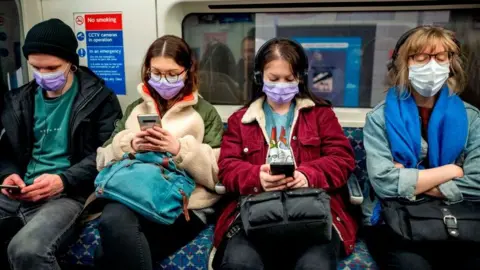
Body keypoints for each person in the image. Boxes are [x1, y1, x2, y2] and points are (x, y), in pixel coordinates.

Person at [212, 38, 357, 270]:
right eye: (274, 78)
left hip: (312, 213)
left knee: (314, 266)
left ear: (300, 78)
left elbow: (342, 159)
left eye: (289, 79)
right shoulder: (240, 121)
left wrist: (307, 176)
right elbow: (228, 168)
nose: (282, 85)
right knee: (239, 264)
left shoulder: (321, 115)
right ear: (260, 78)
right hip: (254, 212)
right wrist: (257, 178)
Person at [0, 18, 122, 270]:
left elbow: (107, 154)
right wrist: (9, 174)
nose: (43, 75)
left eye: (52, 68)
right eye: (36, 68)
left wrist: (63, 180)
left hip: (68, 194)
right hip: (22, 188)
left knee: (26, 250)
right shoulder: (18, 100)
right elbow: (6, 151)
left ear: (70, 63)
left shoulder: (100, 99)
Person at [94, 35, 224, 270]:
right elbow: (102, 159)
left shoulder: (205, 113)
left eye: (172, 74)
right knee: (112, 220)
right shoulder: (135, 109)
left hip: (186, 202)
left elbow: (219, 177)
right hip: (133, 191)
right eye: (156, 73)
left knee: (107, 255)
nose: (164, 80)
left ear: (187, 71)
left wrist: (179, 149)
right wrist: (130, 145)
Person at [363, 26, 480, 269]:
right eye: (422, 57)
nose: (432, 65)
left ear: (450, 62)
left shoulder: (472, 118)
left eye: (440, 57)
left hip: (461, 216)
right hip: (397, 219)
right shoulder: (380, 118)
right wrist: (451, 170)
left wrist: (411, 181)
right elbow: (384, 183)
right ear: (405, 63)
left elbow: (477, 182)